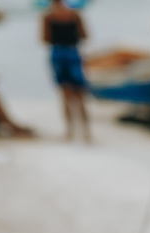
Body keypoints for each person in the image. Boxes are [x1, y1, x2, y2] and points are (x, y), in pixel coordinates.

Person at [41, 0, 90, 142]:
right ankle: (87, 132)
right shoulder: (75, 15)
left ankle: (70, 131)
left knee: (65, 94)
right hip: (73, 52)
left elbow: (44, 38)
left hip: (57, 54)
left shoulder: (48, 17)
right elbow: (84, 35)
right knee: (80, 94)